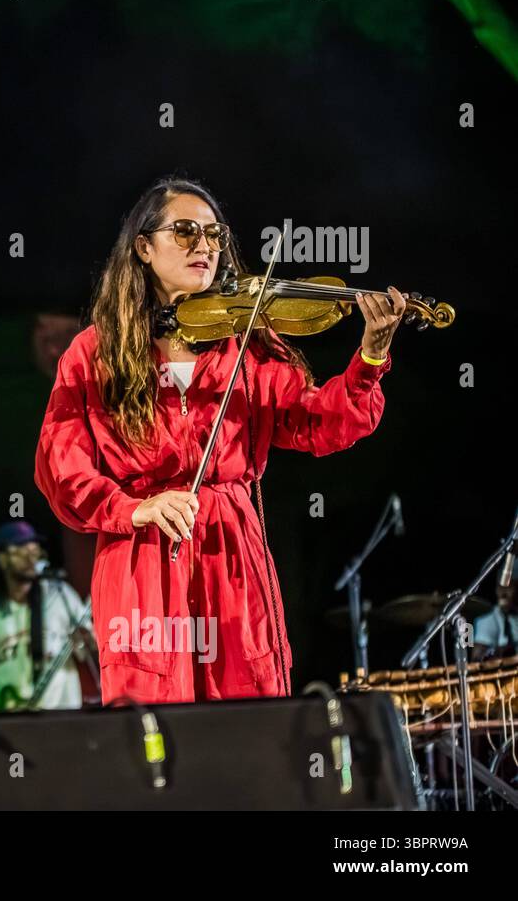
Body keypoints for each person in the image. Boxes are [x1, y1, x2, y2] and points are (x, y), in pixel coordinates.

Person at [35, 176, 407, 706]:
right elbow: (60, 468)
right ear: (144, 247)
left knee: (245, 716)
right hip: (140, 556)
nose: (204, 245)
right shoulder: (95, 352)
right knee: (152, 724)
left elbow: (317, 422)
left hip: (229, 549)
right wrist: (131, 509)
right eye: (185, 231)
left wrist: (369, 358)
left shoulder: (247, 339)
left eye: (214, 233)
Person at [0, 520, 94, 712]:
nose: (30, 555)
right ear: (2, 558)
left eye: (34, 548)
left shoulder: (60, 594)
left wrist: (87, 641)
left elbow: (92, 650)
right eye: (20, 548)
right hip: (6, 720)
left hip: (62, 714)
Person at [473, 578, 518, 659]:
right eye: (500, 587)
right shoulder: (487, 621)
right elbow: (477, 660)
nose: (503, 593)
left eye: (509, 587)